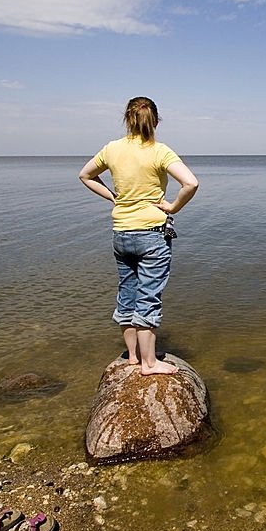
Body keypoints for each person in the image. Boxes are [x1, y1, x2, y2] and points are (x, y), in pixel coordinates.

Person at [78, 97, 199, 375]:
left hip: (121, 233)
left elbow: (85, 176)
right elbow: (191, 183)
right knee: (148, 296)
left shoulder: (112, 149)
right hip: (152, 235)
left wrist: (113, 197)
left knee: (127, 291)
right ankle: (150, 364)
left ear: (127, 119)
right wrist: (172, 206)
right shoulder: (160, 151)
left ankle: (132, 357)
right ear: (155, 121)